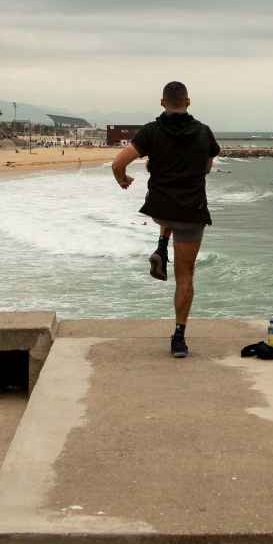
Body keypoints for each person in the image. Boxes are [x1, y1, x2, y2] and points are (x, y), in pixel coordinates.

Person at [110, 81, 220, 359]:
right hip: (191, 212)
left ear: (162, 102)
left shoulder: (151, 131)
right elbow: (207, 166)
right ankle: (179, 338)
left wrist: (123, 180)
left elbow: (117, 163)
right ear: (188, 101)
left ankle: (161, 244)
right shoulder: (204, 132)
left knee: (165, 199)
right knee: (185, 277)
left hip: (160, 207)